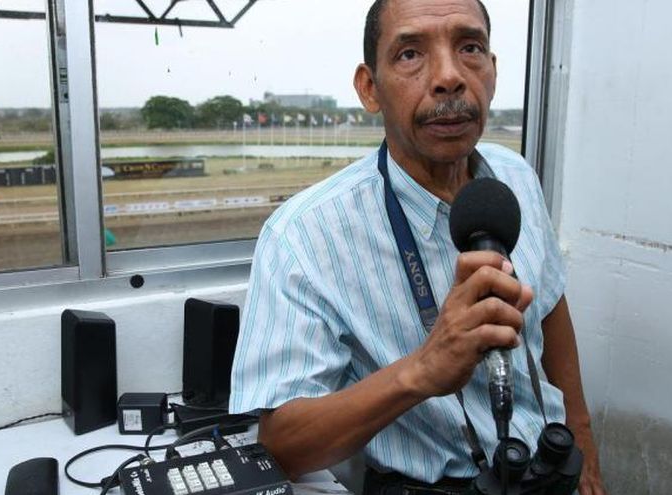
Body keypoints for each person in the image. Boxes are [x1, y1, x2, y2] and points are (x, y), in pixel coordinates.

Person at [230, 0, 606, 493]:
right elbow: (280, 446)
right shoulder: (304, 237)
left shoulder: (515, 177)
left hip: (550, 468)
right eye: (410, 54)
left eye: (470, 48)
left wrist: (583, 439)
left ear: (492, 71)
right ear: (370, 88)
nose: (449, 77)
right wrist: (422, 371)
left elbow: (551, 306)